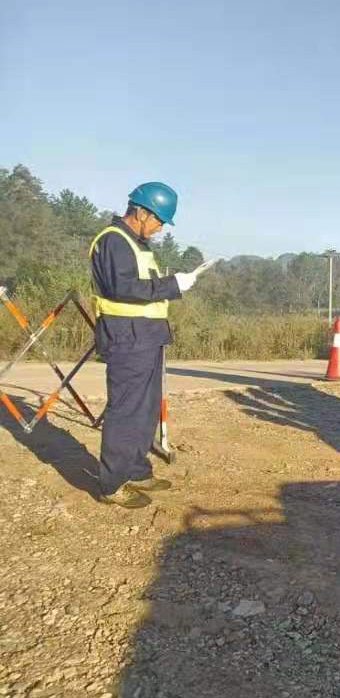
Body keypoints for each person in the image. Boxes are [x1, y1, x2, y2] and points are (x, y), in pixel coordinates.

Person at [90, 182, 207, 508]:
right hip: (126, 337)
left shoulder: (137, 244)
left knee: (145, 409)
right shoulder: (113, 241)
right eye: (159, 220)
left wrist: (173, 284)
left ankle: (137, 470)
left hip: (146, 336)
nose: (160, 228)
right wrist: (173, 285)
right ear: (141, 212)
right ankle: (112, 484)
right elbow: (124, 288)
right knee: (126, 410)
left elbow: (144, 286)